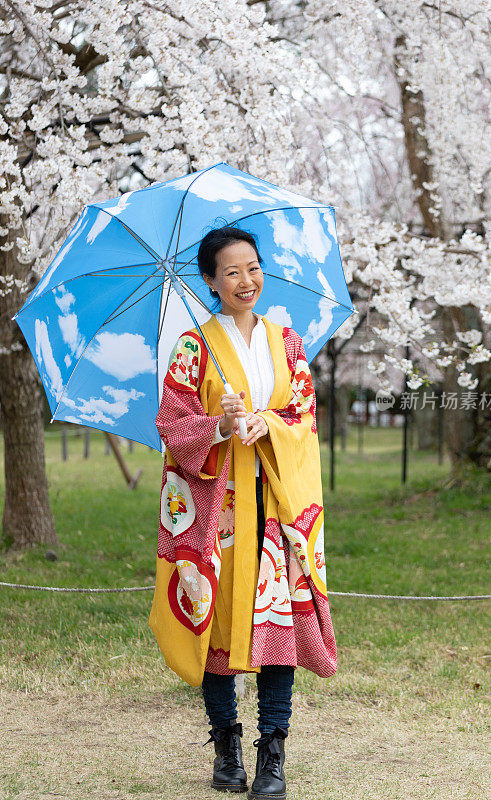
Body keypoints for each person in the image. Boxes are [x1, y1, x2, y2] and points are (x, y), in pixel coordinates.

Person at [149, 225, 337, 799]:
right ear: (210, 281)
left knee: (277, 623)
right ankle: (226, 745)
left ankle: (272, 752)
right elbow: (172, 424)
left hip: (276, 504)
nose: (246, 280)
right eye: (231, 272)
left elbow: (302, 413)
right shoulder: (193, 347)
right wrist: (222, 425)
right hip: (219, 511)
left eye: (253, 268)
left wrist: (268, 422)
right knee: (218, 623)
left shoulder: (288, 341)